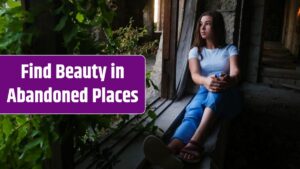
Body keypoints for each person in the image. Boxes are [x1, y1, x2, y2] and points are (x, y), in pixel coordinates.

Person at [143, 11, 242, 168]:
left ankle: (196, 142)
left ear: (217, 26)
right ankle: (171, 150)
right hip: (204, 89)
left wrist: (226, 79)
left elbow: (236, 73)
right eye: (201, 24)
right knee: (193, 111)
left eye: (208, 24)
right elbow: (195, 76)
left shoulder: (229, 49)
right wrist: (207, 81)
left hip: (227, 92)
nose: (202, 28)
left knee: (217, 83)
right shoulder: (195, 51)